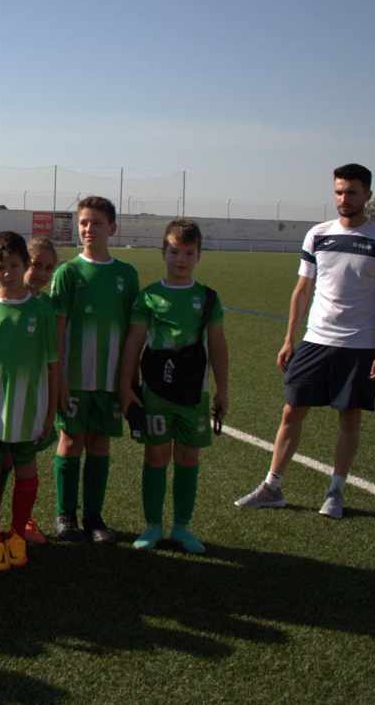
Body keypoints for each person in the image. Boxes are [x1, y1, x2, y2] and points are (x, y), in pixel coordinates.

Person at [235, 163, 375, 518]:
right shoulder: (318, 234)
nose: (344, 198)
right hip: (315, 340)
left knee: (349, 417)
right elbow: (302, 290)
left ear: (367, 195)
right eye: (339, 191)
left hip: (359, 345)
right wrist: (289, 339)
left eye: (352, 192)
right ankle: (272, 487)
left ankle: (335, 492)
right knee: (291, 410)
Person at [120, 220, 229, 553]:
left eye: (188, 253)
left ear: (199, 256)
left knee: (188, 456)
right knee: (155, 455)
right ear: (163, 252)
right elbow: (133, 343)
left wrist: (223, 390)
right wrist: (126, 386)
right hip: (156, 392)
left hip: (194, 393)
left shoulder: (207, 298)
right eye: (174, 252)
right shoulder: (149, 296)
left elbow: (218, 346)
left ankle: (182, 527)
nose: (181, 259)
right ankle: (152, 526)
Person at [51, 196, 139, 543]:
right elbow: (58, 330)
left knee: (100, 443)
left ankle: (93, 518)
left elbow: (133, 333)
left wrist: (128, 381)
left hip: (109, 378)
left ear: (112, 228)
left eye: (97, 223)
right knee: (71, 441)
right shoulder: (68, 273)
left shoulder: (126, 275)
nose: (89, 229)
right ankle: (65, 516)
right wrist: (59, 378)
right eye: (84, 222)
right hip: (74, 379)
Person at [0, 232, 58, 572]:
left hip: (29, 408)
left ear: (24, 265)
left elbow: (52, 364)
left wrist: (49, 412)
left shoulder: (42, 310)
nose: (7, 273)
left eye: (14, 266)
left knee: (26, 470)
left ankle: (18, 534)